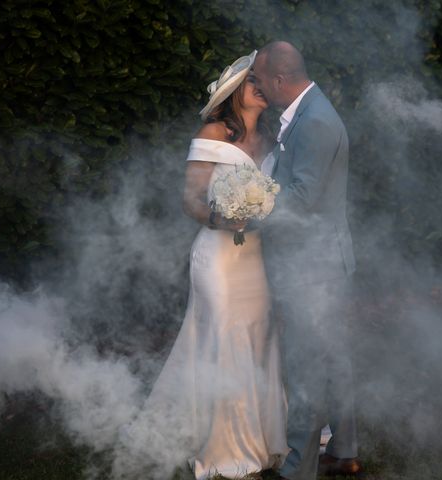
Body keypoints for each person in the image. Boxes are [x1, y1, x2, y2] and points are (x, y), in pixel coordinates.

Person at [119, 50, 289, 480]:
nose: (261, 88)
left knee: (260, 336)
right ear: (234, 93)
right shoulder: (214, 131)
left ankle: (263, 435)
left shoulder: (272, 141)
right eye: (253, 83)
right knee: (224, 338)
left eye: (263, 82)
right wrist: (221, 216)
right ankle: (226, 447)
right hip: (216, 257)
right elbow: (190, 199)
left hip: (255, 258)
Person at [252, 41, 361, 480]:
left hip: (313, 267)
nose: (256, 85)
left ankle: (298, 469)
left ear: (280, 79)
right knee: (333, 358)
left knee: (305, 366)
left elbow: (300, 200)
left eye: (259, 78)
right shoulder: (308, 110)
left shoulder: (314, 121)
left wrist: (248, 212)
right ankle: (346, 449)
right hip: (324, 259)